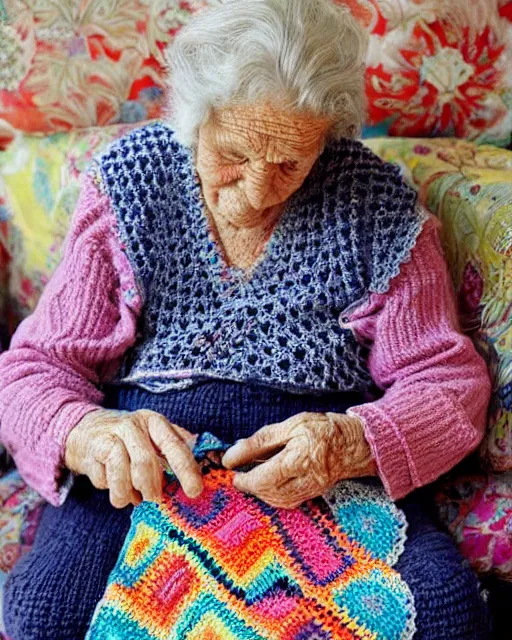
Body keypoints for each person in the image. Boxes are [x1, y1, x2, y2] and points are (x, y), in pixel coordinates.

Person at [0, 1, 491, 638]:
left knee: (442, 616)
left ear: (327, 137)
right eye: (234, 154)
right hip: (151, 464)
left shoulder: (375, 206)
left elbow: (447, 383)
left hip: (320, 466)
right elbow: (39, 366)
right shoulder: (130, 186)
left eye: (290, 162)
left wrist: (355, 442)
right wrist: (86, 431)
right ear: (192, 120)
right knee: (47, 615)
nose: (259, 191)